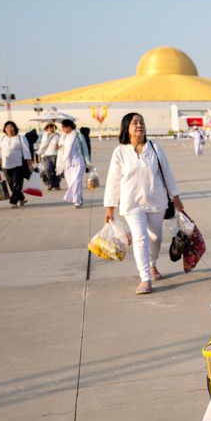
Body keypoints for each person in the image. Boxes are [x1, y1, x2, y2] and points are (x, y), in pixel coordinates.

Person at [104, 113, 184, 294]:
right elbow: (113, 181)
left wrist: (176, 197)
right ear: (127, 128)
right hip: (131, 203)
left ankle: (152, 264)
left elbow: (167, 173)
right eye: (135, 122)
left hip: (156, 201)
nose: (139, 125)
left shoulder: (154, 147)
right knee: (140, 239)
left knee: (156, 238)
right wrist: (110, 208)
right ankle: (145, 278)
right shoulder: (120, 152)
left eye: (141, 122)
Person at [0, 121, 34, 207]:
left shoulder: (21, 138)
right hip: (5, 165)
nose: (10, 129)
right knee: (11, 185)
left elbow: (26, 151)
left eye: (11, 127)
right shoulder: (2, 138)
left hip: (18, 165)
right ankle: (21, 198)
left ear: (15, 128)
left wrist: (29, 164)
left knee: (17, 184)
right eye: (7, 127)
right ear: (5, 129)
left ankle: (13, 201)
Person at [56, 119, 92, 209]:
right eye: (63, 127)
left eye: (65, 127)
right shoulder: (63, 137)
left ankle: (77, 201)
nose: (63, 129)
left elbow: (85, 150)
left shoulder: (78, 135)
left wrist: (88, 162)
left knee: (76, 182)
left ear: (70, 126)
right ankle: (79, 197)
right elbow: (62, 150)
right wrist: (59, 147)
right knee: (70, 183)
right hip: (67, 164)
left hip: (78, 162)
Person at [36, 123, 61, 189]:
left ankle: (57, 184)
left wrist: (58, 146)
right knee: (47, 170)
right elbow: (40, 146)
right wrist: (39, 156)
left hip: (56, 155)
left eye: (52, 127)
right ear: (46, 128)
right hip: (46, 155)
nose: (50, 128)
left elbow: (61, 145)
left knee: (57, 171)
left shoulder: (57, 135)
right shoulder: (43, 135)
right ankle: (49, 183)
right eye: (49, 127)